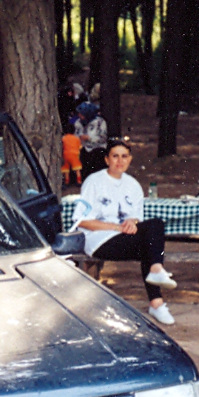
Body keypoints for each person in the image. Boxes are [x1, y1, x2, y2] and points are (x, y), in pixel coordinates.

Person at [73, 140, 177, 325]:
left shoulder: (133, 185)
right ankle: (156, 297)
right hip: (99, 241)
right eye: (115, 156)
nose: (120, 161)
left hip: (122, 237)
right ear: (107, 159)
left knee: (155, 228)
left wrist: (132, 222)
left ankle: (156, 291)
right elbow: (82, 220)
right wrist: (116, 227)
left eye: (124, 156)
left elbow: (136, 217)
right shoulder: (94, 181)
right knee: (150, 244)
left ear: (130, 159)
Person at [74, 102, 107, 179]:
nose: (79, 116)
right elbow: (76, 134)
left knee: (97, 156)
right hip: (83, 147)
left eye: (81, 114)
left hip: (97, 147)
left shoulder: (100, 122)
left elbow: (103, 138)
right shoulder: (78, 123)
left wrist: (89, 138)